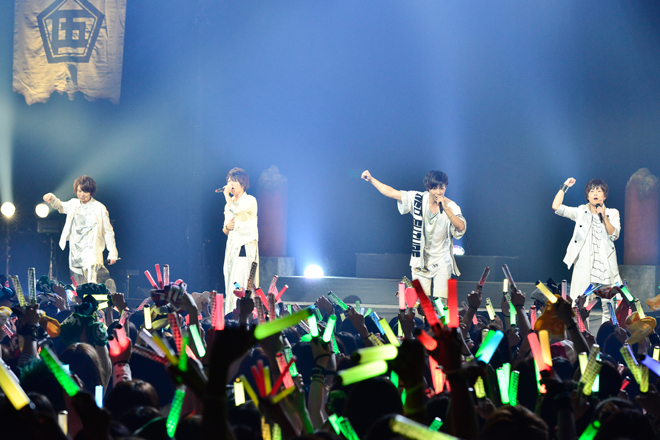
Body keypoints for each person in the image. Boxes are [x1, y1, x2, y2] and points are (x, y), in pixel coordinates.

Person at [361, 170, 466, 299]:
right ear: (428, 188)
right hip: (419, 261)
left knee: (441, 303)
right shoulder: (418, 199)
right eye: (434, 188)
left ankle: (439, 312)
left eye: (442, 188)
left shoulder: (451, 206)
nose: (438, 192)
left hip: (442, 261)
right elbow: (392, 193)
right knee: (422, 304)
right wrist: (371, 179)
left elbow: (461, 227)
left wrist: (446, 209)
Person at [552, 177, 621, 322]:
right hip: (584, 265)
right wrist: (564, 187)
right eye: (592, 191)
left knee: (610, 307)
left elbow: (614, 235)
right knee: (579, 305)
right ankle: (582, 334)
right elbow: (556, 207)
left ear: (605, 196)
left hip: (606, 266)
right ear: (587, 196)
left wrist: (604, 217)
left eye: (599, 191)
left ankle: (607, 333)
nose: (595, 193)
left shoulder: (613, 213)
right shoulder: (580, 211)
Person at [43, 175, 118, 285]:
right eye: (79, 191)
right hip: (76, 251)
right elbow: (60, 206)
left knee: (90, 284)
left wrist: (112, 253)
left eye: (85, 191)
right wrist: (52, 198)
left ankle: (94, 295)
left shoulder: (99, 208)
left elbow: (108, 231)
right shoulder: (73, 204)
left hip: (91, 252)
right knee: (77, 286)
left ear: (91, 192)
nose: (82, 194)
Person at [222, 167, 258, 313]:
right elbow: (225, 230)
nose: (230, 184)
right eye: (229, 181)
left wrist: (226, 194)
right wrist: (227, 227)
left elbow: (236, 209)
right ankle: (232, 316)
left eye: (234, 181)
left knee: (243, 287)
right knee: (231, 286)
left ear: (243, 184)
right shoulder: (228, 204)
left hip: (244, 250)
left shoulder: (250, 200)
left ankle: (245, 317)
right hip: (232, 250)